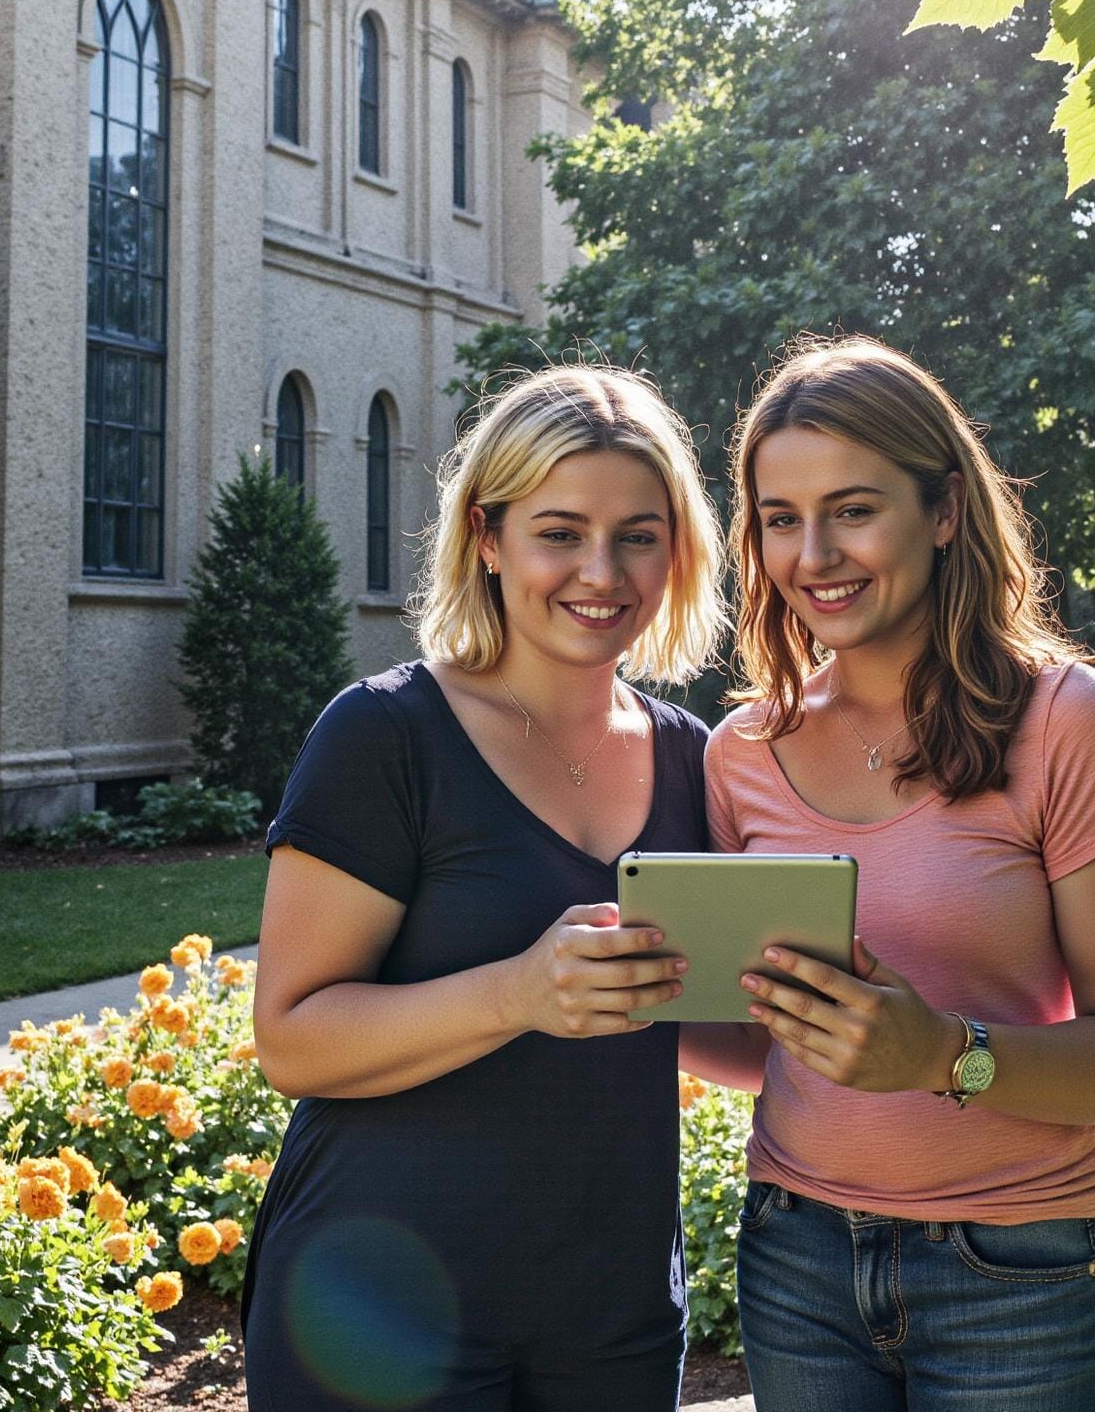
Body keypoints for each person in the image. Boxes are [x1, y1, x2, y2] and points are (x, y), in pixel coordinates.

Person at [706, 336, 1095, 1412]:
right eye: (780, 517)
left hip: (1015, 1269)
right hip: (797, 1258)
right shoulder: (739, 749)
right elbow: (764, 1046)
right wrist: (629, 990)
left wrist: (942, 1054)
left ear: (947, 509)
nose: (811, 552)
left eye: (852, 507)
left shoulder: (1066, 722)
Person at [245, 366, 726, 1410]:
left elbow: (699, 1022)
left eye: (638, 534)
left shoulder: (696, 760)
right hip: (373, 1314)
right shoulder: (382, 734)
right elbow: (290, 1035)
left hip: (615, 1313)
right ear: (486, 535)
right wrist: (515, 992)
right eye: (559, 530)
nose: (601, 569)